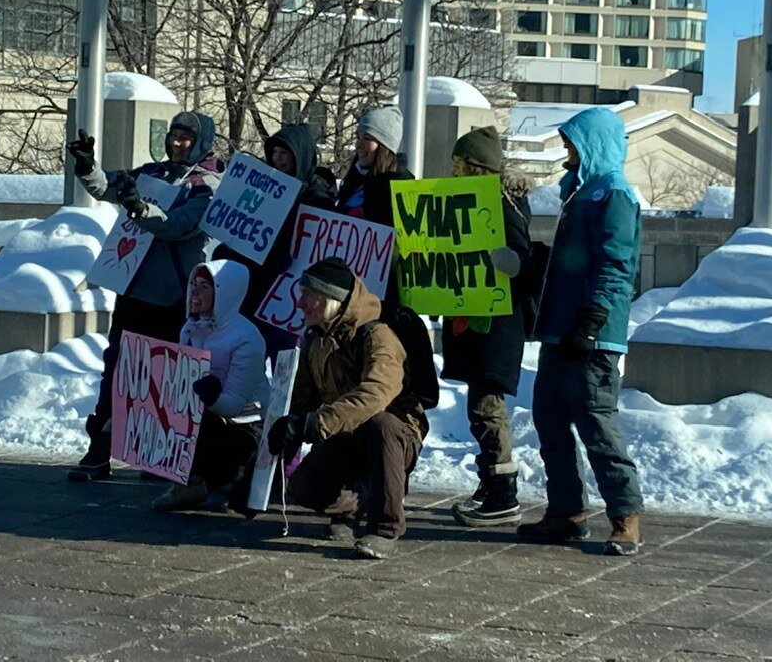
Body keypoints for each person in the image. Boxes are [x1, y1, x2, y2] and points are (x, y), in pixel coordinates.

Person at [65, 111, 218, 481]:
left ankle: (162, 455)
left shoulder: (209, 184)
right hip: (134, 287)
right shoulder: (154, 172)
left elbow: (179, 227)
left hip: (176, 297)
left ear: (200, 143)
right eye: (173, 135)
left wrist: (137, 206)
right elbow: (110, 186)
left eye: (185, 138)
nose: (177, 143)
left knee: (168, 376)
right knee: (118, 370)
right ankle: (99, 450)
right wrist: (88, 166)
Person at [518, 106, 644, 556]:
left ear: (593, 144)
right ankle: (566, 513)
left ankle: (625, 517)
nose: (566, 149)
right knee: (550, 421)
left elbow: (616, 263)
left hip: (592, 337)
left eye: (572, 141)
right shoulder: (582, 192)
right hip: (559, 331)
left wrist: (592, 320)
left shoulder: (614, 194)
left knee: (597, 425)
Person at [267, 257, 427, 560]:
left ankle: (385, 528)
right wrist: (279, 439)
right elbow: (301, 399)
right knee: (303, 488)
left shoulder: (377, 335)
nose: (300, 303)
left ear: (331, 299)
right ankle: (356, 503)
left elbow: (376, 394)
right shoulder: (316, 340)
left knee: (382, 423)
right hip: (346, 432)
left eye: (307, 295)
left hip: (394, 436)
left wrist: (317, 424)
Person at [440, 126, 538, 528]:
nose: (455, 172)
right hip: (471, 320)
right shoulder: (463, 201)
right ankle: (489, 482)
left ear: (478, 168)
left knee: (487, 406)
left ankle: (502, 493)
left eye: (461, 165)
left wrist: (508, 260)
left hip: (496, 325)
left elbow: (523, 259)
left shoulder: (505, 206)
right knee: (477, 404)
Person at [151, 260, 270, 516]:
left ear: (223, 293)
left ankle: (237, 481)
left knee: (226, 474)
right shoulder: (190, 328)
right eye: (193, 284)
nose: (194, 292)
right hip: (208, 413)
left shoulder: (247, 338)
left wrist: (210, 396)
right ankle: (188, 485)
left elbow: (236, 403)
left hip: (245, 422)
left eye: (204, 286)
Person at [212, 123, 336, 363]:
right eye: (274, 153)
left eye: (284, 154)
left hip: (288, 293)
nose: (278, 160)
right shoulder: (261, 187)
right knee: (246, 355)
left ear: (299, 156)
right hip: (254, 285)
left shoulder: (317, 197)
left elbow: (314, 245)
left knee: (284, 360)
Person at [335, 106, 413, 309]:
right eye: (358, 136)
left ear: (384, 145)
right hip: (345, 282)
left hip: (380, 293)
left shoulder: (401, 185)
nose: (359, 145)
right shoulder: (353, 179)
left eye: (367, 138)